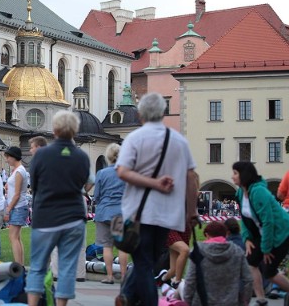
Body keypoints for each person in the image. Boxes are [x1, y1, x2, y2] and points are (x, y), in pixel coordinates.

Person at [115, 92, 198, 306]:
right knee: (148, 261)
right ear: (163, 113)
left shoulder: (135, 138)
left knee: (143, 264)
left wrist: (153, 183)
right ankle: (127, 296)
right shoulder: (179, 139)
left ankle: (140, 299)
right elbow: (191, 176)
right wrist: (191, 211)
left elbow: (123, 171)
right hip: (168, 213)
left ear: (140, 114)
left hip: (140, 212)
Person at [26, 111, 89, 306]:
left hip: (46, 216)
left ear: (54, 130)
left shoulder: (42, 155)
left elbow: (34, 185)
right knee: (67, 268)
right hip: (74, 218)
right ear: (75, 131)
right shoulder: (82, 157)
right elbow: (83, 184)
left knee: (37, 267)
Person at [232, 161, 289, 305]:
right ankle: (261, 299)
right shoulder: (240, 192)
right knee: (251, 262)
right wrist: (246, 238)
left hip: (281, 233)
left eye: (235, 173)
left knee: (269, 271)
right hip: (262, 233)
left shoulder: (258, 192)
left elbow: (268, 221)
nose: (232, 177)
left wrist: (266, 249)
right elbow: (244, 218)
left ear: (244, 175)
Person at [183, 221, 253, 306]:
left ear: (207, 235)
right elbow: (248, 280)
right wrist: (244, 302)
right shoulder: (237, 251)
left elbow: (190, 280)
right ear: (226, 235)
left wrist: (187, 301)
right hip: (231, 302)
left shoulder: (198, 251)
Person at [93, 143, 128, 284]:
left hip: (104, 212)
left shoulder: (101, 173)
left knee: (107, 246)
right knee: (122, 246)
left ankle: (109, 276)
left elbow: (96, 195)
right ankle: (125, 276)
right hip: (120, 212)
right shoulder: (125, 172)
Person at [3, 145, 28, 266]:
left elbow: (17, 194)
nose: (7, 160)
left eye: (8, 157)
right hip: (18, 206)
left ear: (14, 157)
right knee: (16, 237)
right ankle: (20, 265)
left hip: (17, 207)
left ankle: (18, 266)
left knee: (13, 237)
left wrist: (8, 209)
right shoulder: (18, 171)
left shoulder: (19, 171)